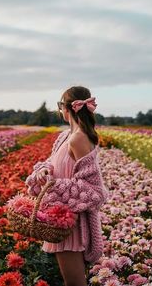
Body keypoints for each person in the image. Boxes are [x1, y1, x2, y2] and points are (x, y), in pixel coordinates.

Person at [25, 85, 109, 286]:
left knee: (75, 283)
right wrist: (44, 171)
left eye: (60, 105)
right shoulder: (65, 136)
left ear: (68, 107)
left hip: (72, 225)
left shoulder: (79, 138)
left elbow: (95, 191)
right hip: (61, 218)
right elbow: (52, 163)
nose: (59, 110)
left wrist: (54, 187)